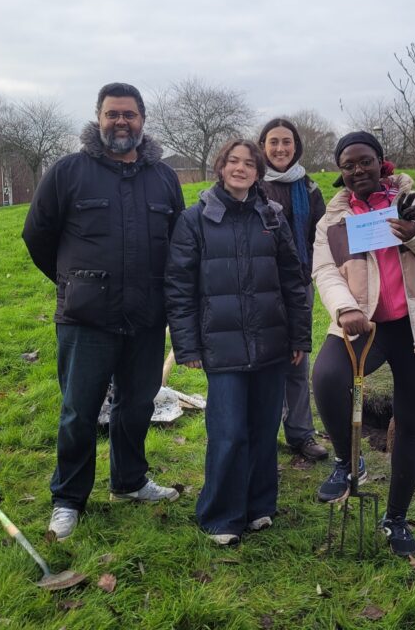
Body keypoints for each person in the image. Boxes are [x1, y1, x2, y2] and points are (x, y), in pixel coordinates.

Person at [22, 82, 185, 542]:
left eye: (129, 114)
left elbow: (179, 242)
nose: (121, 122)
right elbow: (38, 236)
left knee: (137, 405)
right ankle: (68, 499)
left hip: (148, 317)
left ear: (142, 120)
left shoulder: (164, 178)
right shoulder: (68, 172)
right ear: (98, 118)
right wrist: (73, 284)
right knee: (79, 411)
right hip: (86, 319)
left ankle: (129, 481)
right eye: (112, 114)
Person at [311, 131, 415, 556]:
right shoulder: (333, 220)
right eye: (348, 164)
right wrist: (344, 309)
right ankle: (347, 460)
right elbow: (324, 272)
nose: (357, 169)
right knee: (326, 379)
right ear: (340, 172)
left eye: (365, 161)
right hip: (363, 324)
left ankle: (395, 519)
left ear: (382, 162)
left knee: (411, 421)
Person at [165, 139, 311, 546]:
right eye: (234, 161)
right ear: (220, 167)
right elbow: (178, 287)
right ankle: (221, 515)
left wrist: (299, 335)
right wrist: (188, 346)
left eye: (249, 163)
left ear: (258, 172)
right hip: (222, 346)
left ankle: (260, 505)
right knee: (229, 432)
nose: (241, 169)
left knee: (264, 430)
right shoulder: (195, 220)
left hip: (272, 343)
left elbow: (292, 280)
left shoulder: (271, 217)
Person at [257, 118, 329, 461]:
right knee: (261, 362)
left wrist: (308, 269)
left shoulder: (310, 188)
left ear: (296, 146)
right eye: (273, 142)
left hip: (298, 286)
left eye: (286, 142)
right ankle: (261, 431)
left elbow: (323, 234)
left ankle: (301, 434)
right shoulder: (251, 183)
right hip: (256, 289)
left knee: (298, 361)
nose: (280, 148)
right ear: (262, 146)